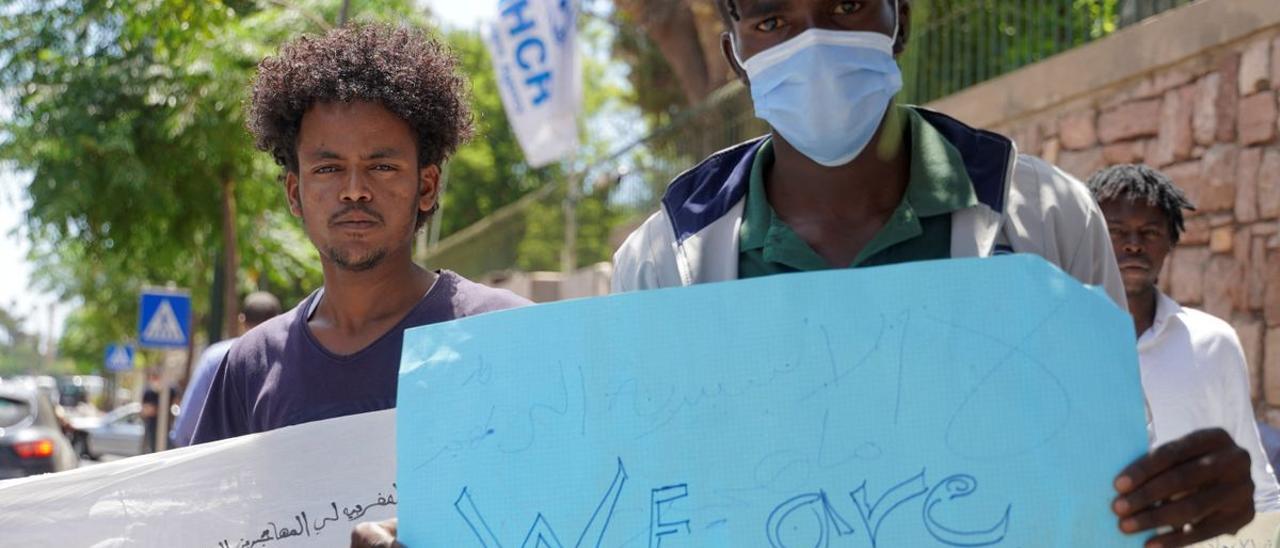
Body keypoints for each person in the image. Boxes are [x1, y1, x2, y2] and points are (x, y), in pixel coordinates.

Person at [607, 1, 1254, 546]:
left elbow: (1105, 466)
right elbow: (639, 490)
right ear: (735, 59)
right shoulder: (664, 261)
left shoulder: (1046, 218)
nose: (816, 44)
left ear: (901, 21)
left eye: (849, 4)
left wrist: (1183, 492)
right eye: (772, 20)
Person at [191, 23, 529, 445]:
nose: (354, 190)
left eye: (382, 166)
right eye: (328, 168)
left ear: (426, 187)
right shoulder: (250, 367)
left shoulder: (507, 335)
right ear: (295, 193)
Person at [1090, 164, 1280, 513]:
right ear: (1092, 239)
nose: (1133, 245)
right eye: (1116, 232)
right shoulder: (1058, 341)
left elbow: (1252, 470)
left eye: (1149, 232)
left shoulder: (1213, 342)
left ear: (1170, 242)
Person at [170, 291, 282, 448]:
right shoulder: (289, 360)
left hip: (223, 464)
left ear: (241, 320)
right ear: (279, 320)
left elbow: (187, 426)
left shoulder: (216, 357)